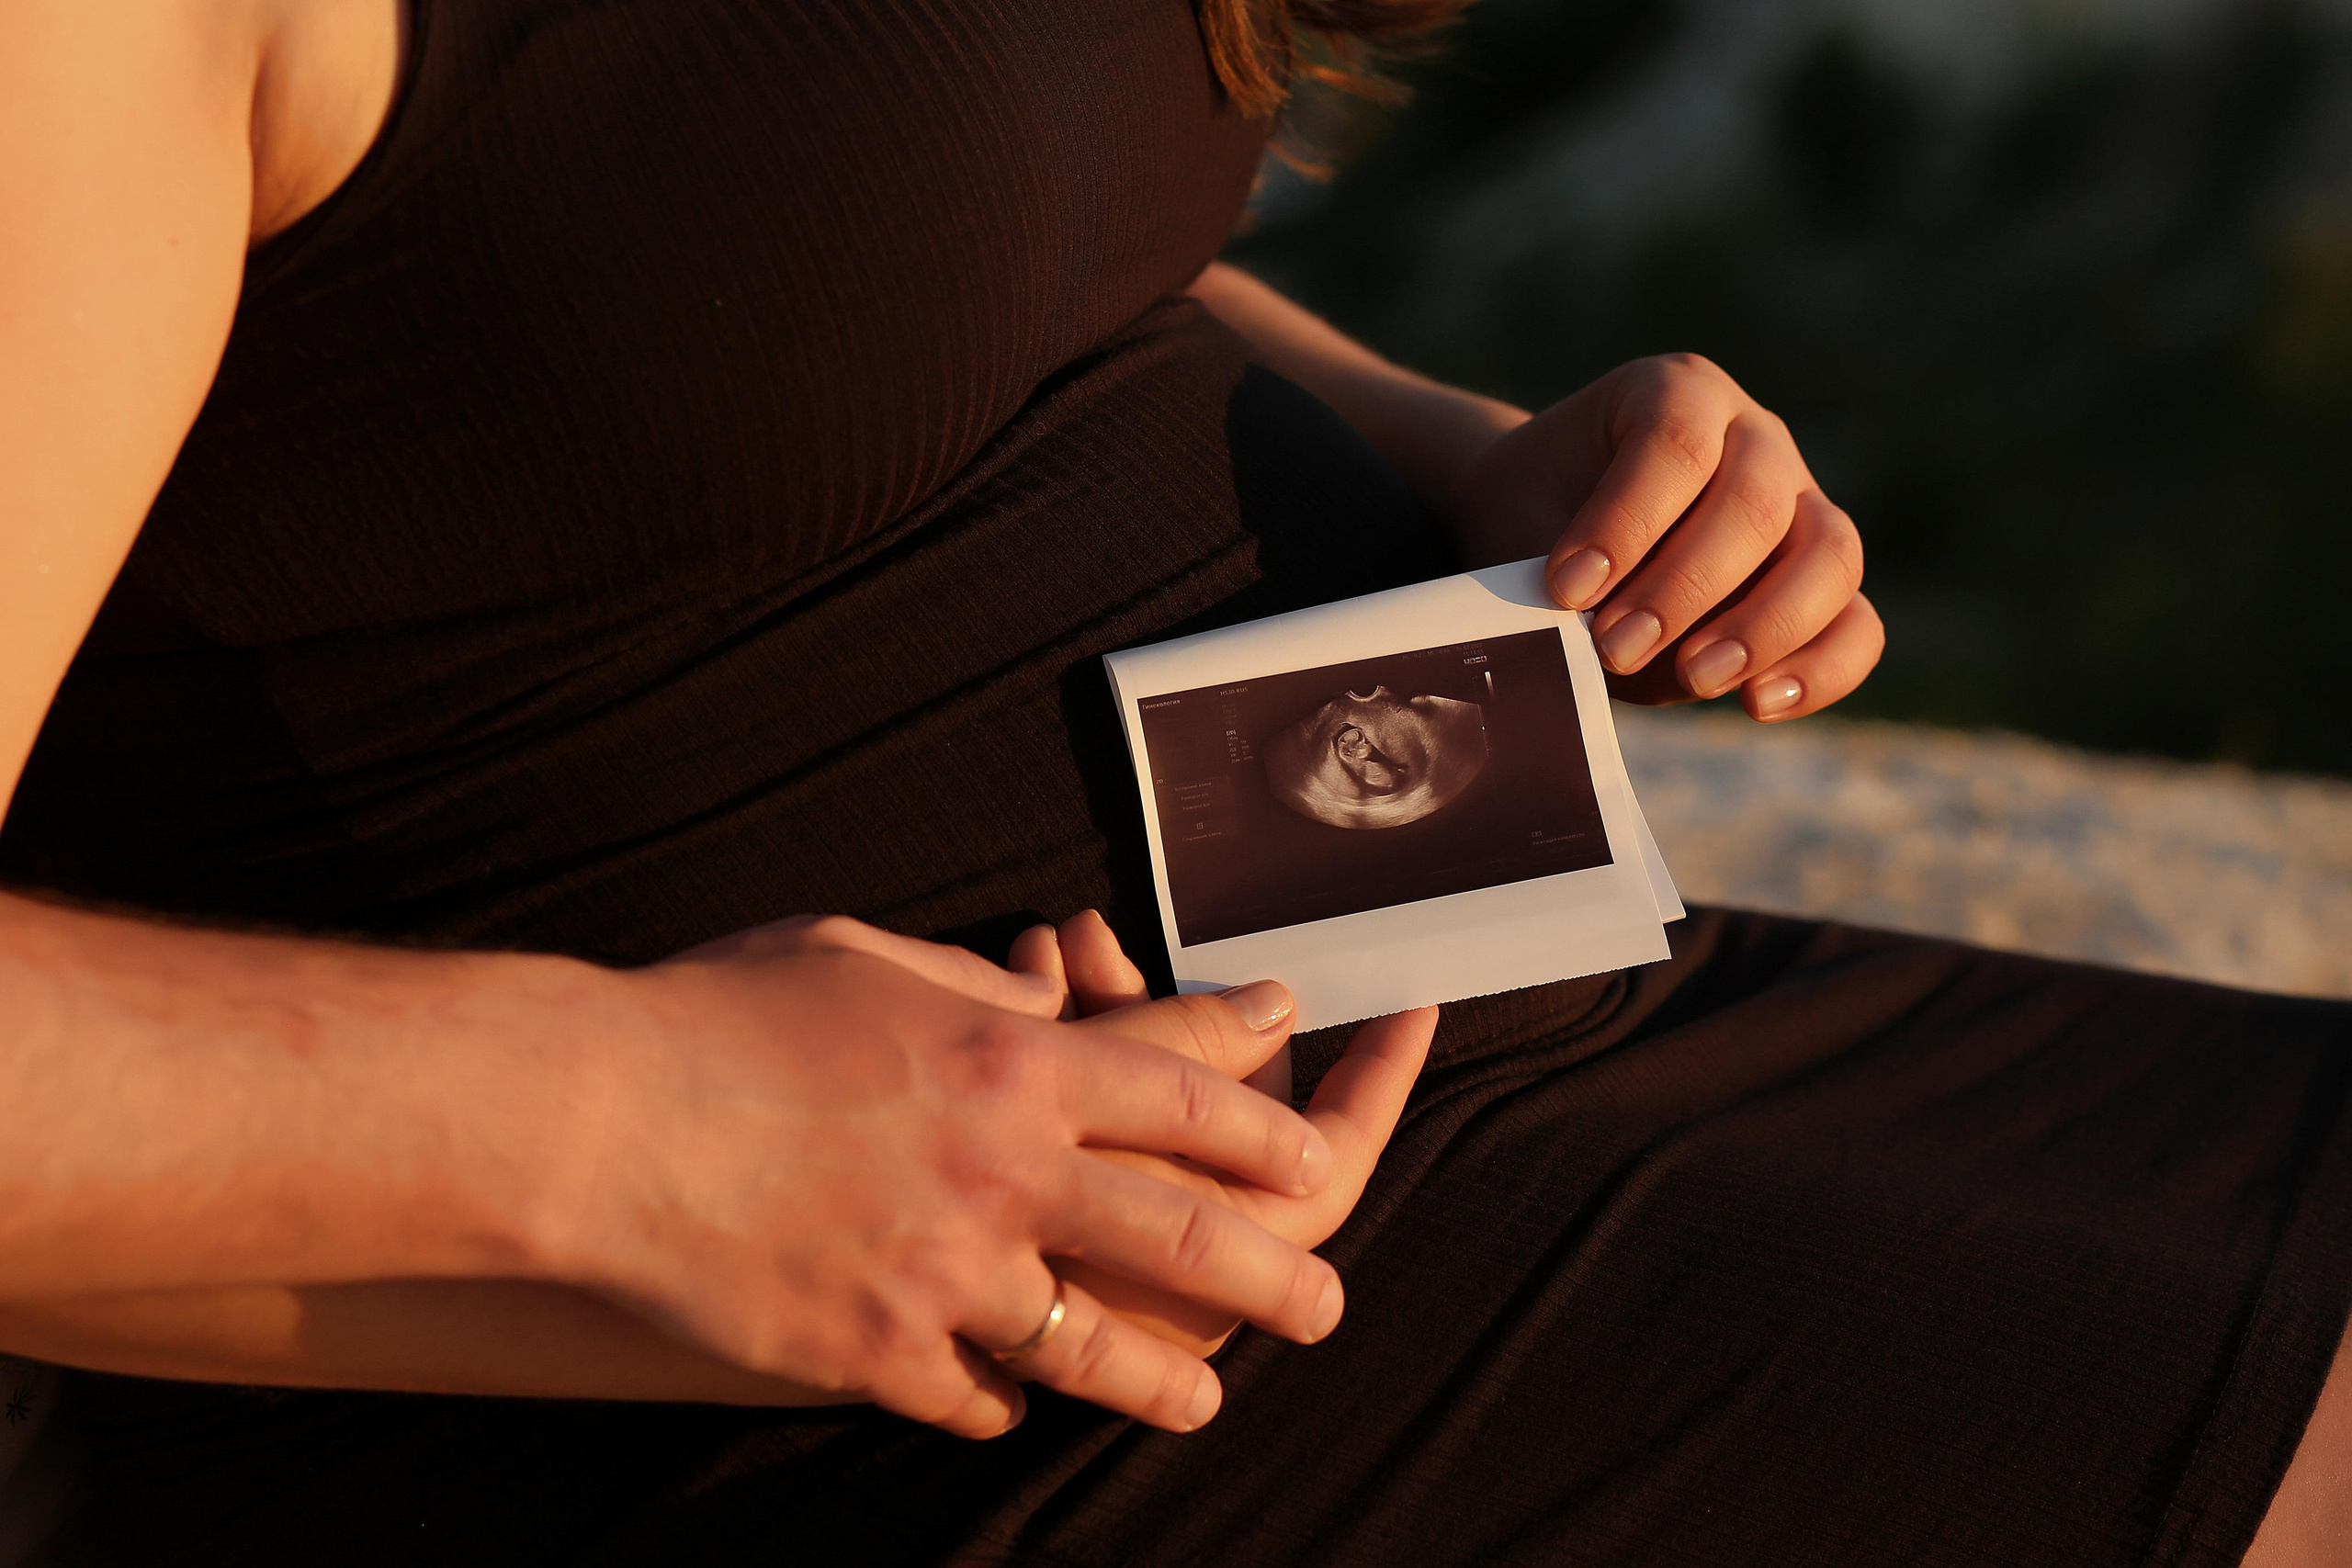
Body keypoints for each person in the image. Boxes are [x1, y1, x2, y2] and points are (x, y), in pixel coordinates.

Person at [0, 0, 2344, 1562]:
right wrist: (646, 1118)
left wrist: (1466, 462)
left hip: (1524, 1062)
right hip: (889, 1401)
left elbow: (772, 262)